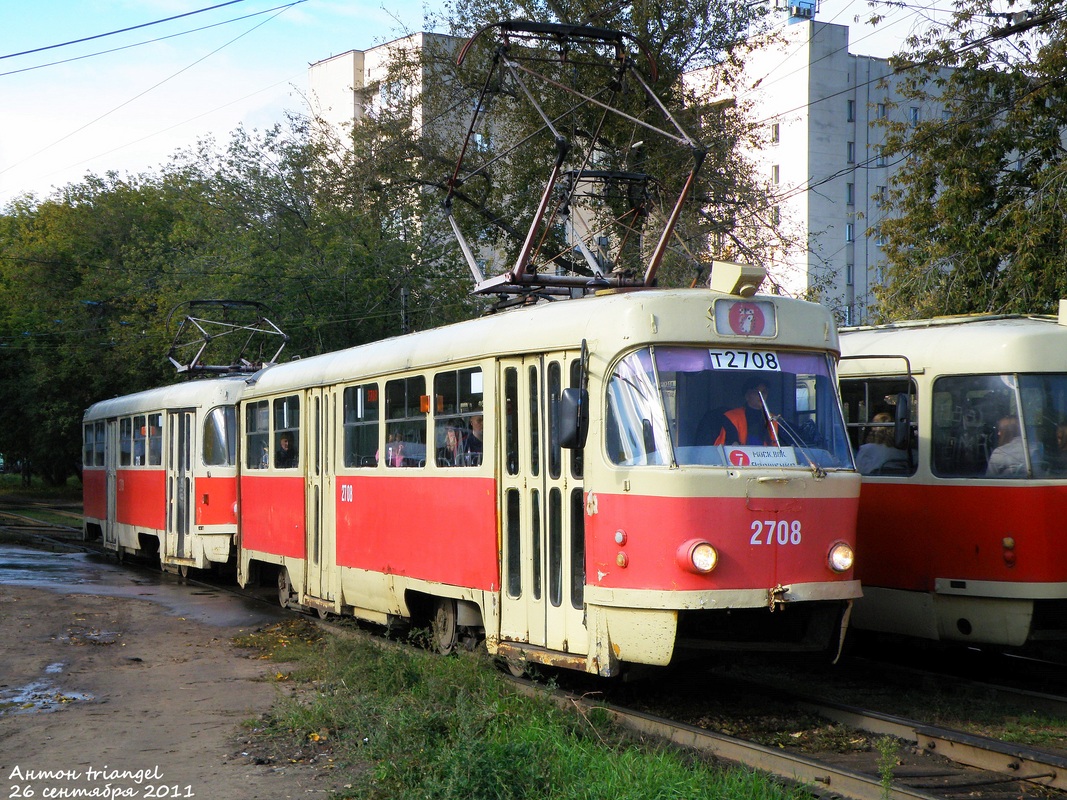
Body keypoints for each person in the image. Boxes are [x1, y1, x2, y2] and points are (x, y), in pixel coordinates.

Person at [711, 377, 778, 446]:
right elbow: (730, 443)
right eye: (756, 392)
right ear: (747, 395)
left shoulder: (773, 419)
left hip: (767, 456)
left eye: (764, 392)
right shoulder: (731, 417)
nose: (761, 396)